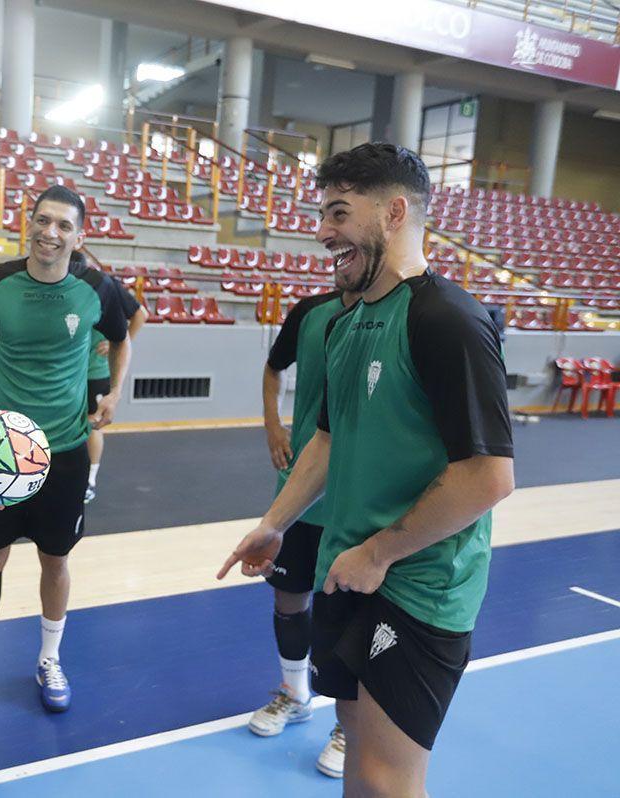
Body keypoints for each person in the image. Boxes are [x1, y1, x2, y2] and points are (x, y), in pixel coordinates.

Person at [219, 143, 514, 797]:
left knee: (387, 778)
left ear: (395, 213)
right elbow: (326, 440)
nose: (324, 232)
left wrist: (381, 551)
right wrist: (275, 522)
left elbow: (489, 476)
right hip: (346, 573)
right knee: (359, 763)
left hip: (418, 587)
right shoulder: (346, 323)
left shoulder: (446, 319)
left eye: (339, 213)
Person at [0, 185, 132, 716]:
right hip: (0, 449)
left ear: (80, 236)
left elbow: (122, 339)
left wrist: (115, 391)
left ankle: (49, 658)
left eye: (64, 226)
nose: (51, 233)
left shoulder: (99, 288)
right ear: (28, 222)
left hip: (68, 449)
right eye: (43, 221)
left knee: (56, 560)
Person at [249, 284, 358, 778]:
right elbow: (274, 368)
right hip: (301, 489)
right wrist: (273, 424)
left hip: (361, 500)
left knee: (349, 610)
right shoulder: (310, 312)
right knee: (288, 599)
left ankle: (349, 727)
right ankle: (295, 693)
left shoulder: (401, 315)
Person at [82, 251, 146, 504]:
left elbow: (140, 314)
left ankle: (90, 480)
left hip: (95, 371)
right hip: (65, 374)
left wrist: (118, 340)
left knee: (92, 424)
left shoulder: (105, 286)